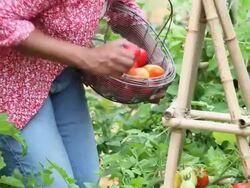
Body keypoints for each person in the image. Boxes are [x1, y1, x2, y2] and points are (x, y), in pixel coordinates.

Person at [0, 0, 165, 187]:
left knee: (87, 180)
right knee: (54, 183)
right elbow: (2, 18)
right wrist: (88, 57)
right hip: (13, 87)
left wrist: (157, 63)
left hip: (61, 74)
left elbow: (121, 6)